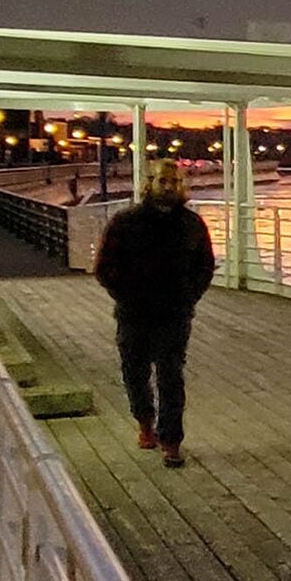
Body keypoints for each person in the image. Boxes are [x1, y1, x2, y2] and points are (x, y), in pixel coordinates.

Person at [92, 163, 216, 468]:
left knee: (170, 374)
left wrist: (190, 296)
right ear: (150, 183)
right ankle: (145, 422)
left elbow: (205, 265)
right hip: (134, 310)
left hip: (174, 311)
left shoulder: (191, 224)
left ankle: (171, 440)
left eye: (175, 181)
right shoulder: (126, 222)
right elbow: (105, 265)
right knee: (134, 371)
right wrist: (124, 294)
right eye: (163, 180)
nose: (170, 186)